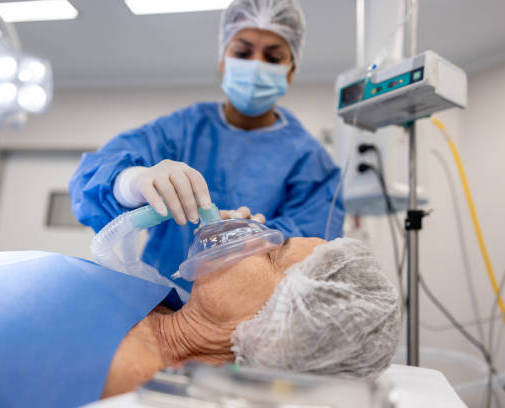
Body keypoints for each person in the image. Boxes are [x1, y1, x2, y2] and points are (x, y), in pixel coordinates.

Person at [68, 0, 345, 302]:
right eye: (242, 52)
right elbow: (90, 179)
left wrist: (256, 237)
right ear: (223, 61)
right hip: (158, 306)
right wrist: (130, 182)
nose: (256, 64)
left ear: (291, 70)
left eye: (273, 56)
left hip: (250, 319)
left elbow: (313, 244)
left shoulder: (309, 160)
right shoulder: (182, 130)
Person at [0, 237, 400, 407]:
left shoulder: (119, 381)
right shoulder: (157, 299)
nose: (255, 237)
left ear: (278, 328)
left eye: (272, 253)